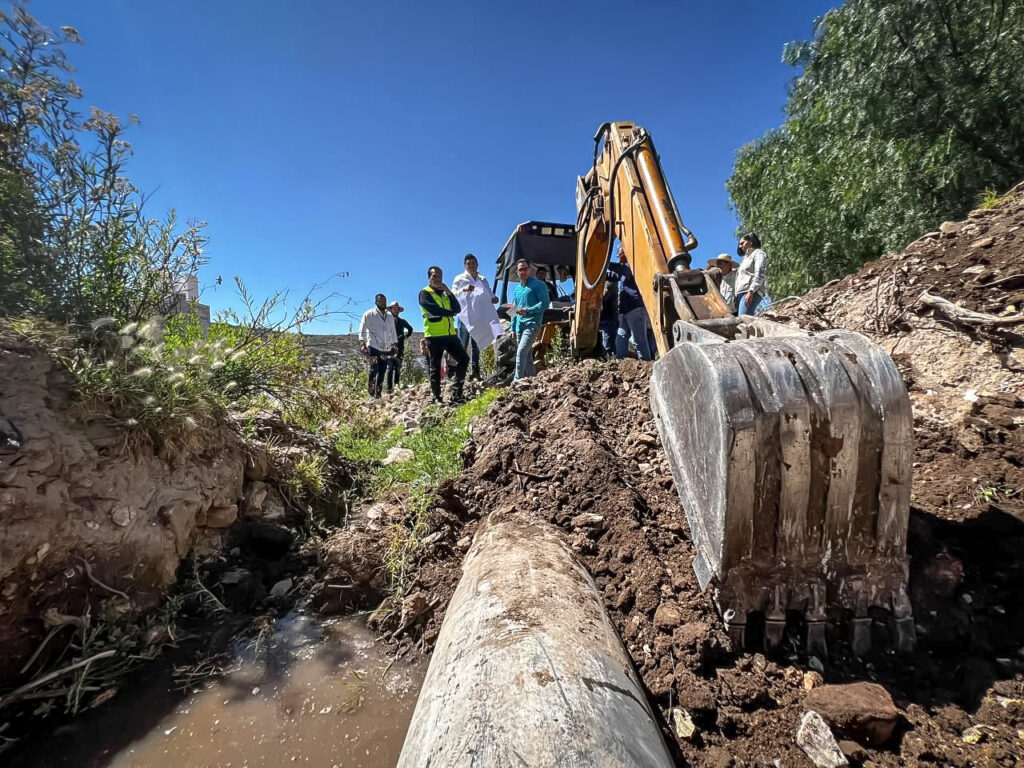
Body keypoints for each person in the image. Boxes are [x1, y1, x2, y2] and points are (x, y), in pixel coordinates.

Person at [418, 266, 469, 404]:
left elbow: (457, 308)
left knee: (464, 359)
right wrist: (449, 313)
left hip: (450, 334)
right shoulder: (425, 293)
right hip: (434, 336)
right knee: (435, 366)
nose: (438, 277)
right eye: (434, 275)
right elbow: (433, 308)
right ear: (429, 277)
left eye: (440, 275)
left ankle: (456, 393)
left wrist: (448, 291)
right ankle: (436, 397)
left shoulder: (445, 293)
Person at [452, 253, 500, 381]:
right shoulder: (459, 279)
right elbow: (453, 294)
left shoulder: (483, 279)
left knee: (476, 345)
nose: (471, 265)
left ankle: (475, 372)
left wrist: (494, 298)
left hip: (479, 317)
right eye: (468, 263)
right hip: (465, 317)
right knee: (463, 344)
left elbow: (489, 293)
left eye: (473, 263)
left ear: (477, 264)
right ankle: (461, 372)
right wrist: (464, 289)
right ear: (465, 265)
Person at [606, 249, 652, 361]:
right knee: (621, 336)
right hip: (625, 309)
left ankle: (646, 364)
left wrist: (603, 262)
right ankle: (621, 363)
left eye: (620, 254)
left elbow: (617, 268)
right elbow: (612, 275)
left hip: (634, 307)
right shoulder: (623, 271)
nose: (618, 256)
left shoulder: (632, 265)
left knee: (639, 340)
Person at [508, 259, 550, 381]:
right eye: (520, 269)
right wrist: (512, 328)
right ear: (517, 272)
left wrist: (528, 310)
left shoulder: (538, 285)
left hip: (532, 323)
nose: (523, 271)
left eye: (525, 268)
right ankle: (532, 380)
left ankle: (516, 382)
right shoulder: (517, 289)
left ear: (530, 270)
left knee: (521, 352)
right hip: (519, 326)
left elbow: (545, 303)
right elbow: (514, 309)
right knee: (526, 355)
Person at [358, 293, 398, 400]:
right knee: (373, 370)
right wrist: (363, 344)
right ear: (376, 302)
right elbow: (362, 330)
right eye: (380, 301)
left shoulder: (390, 316)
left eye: (384, 301)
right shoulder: (369, 314)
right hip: (373, 347)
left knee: (382, 371)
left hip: (386, 348)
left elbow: (393, 331)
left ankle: (378, 394)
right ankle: (371, 394)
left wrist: (395, 345)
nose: (383, 303)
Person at [385, 301, 414, 393]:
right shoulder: (386, 320)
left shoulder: (402, 321)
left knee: (398, 367)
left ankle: (396, 386)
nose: (396, 310)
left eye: (397, 309)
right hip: (389, 347)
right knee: (389, 368)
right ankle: (389, 389)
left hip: (400, 347)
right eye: (394, 308)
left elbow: (410, 329)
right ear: (390, 309)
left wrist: (405, 337)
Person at [735, 233, 768, 316]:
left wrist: (751, 291)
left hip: (750, 292)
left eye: (742, 243)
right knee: (742, 321)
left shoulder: (758, 253)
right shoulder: (745, 259)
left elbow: (760, 272)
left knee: (744, 320)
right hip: (741, 293)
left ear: (751, 242)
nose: (740, 246)